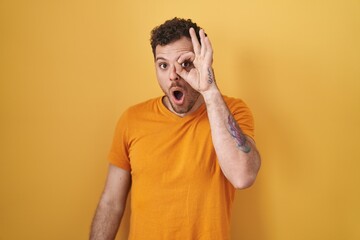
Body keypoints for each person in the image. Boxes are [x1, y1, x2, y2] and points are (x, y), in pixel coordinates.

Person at [90, 17, 261, 240]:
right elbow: (111, 203)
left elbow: (243, 176)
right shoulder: (132, 119)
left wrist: (209, 90)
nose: (173, 76)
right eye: (163, 65)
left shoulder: (233, 111)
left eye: (185, 64)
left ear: (203, 62)